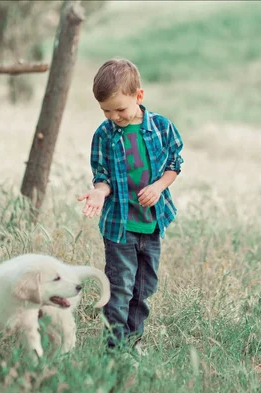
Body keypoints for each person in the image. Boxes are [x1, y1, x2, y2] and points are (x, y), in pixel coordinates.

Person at [77, 58, 184, 354]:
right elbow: (103, 176)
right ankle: (113, 349)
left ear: (139, 96)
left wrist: (159, 186)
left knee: (143, 289)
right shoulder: (104, 135)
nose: (113, 116)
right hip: (120, 228)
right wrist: (100, 192)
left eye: (119, 109)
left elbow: (175, 164)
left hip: (151, 225)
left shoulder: (162, 128)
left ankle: (132, 342)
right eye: (106, 111)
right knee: (120, 289)